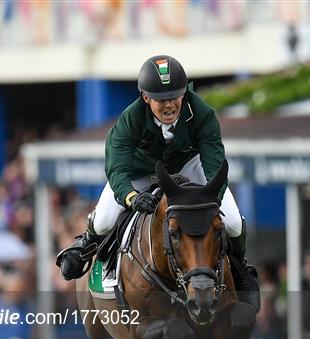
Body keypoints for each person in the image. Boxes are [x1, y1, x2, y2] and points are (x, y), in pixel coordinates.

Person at [56, 55, 259, 309]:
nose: (170, 105)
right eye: (161, 99)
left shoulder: (202, 113)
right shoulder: (130, 119)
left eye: (175, 96)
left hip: (189, 166)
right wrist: (131, 197)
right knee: (105, 219)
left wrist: (209, 200)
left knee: (233, 223)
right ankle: (85, 244)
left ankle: (240, 268)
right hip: (140, 172)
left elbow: (215, 164)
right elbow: (117, 168)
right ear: (146, 98)